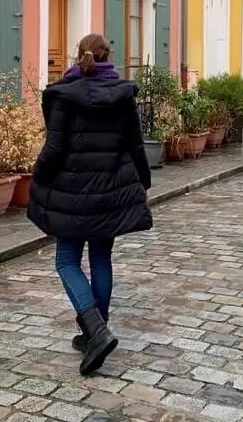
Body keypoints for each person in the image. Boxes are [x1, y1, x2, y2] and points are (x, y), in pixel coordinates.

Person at [27, 33, 153, 376]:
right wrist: (143, 181)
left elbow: (53, 150)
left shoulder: (64, 95)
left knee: (67, 261)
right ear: (107, 56)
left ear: (78, 56)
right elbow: (136, 145)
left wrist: (37, 177)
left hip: (71, 193)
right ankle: (97, 329)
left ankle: (95, 330)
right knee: (100, 258)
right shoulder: (121, 95)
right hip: (108, 192)